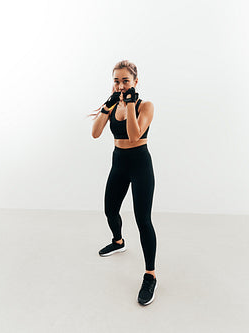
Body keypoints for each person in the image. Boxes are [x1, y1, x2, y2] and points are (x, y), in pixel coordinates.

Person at [90, 60, 157, 306]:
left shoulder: (145, 106)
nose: (120, 85)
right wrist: (106, 109)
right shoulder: (113, 103)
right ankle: (118, 241)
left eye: (125, 81)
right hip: (119, 162)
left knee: (143, 220)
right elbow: (95, 133)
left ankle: (150, 275)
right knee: (110, 209)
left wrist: (129, 104)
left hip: (140, 165)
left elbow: (135, 134)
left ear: (135, 82)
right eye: (116, 81)